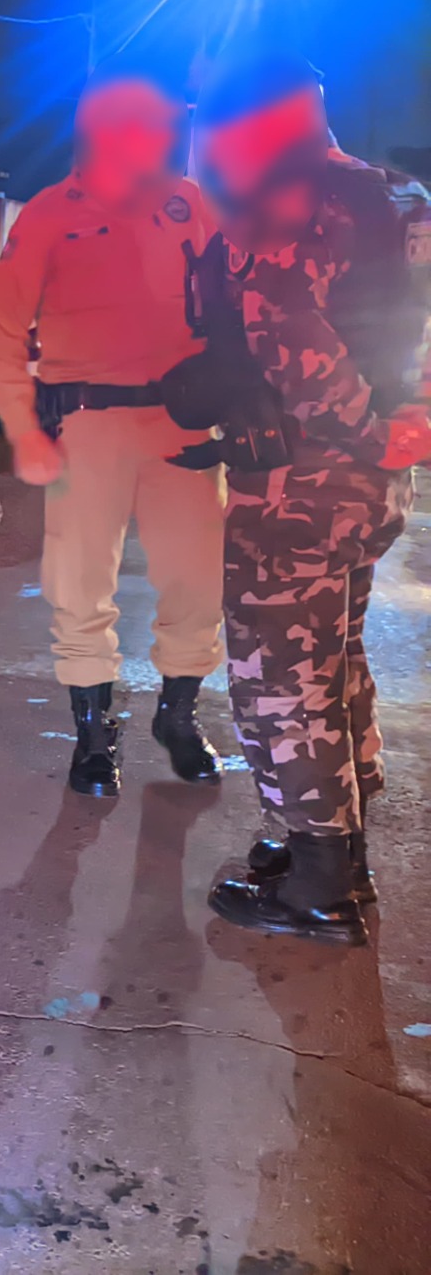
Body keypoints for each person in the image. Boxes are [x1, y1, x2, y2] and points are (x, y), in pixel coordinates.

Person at [189, 52, 431, 945]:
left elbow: (289, 331)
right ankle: (337, 830)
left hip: (304, 482)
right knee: (334, 654)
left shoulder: (287, 205)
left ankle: (324, 884)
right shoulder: (399, 194)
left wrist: (355, 431)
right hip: (374, 483)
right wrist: (403, 431)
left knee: (280, 678)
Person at [0, 65, 225, 799]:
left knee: (198, 579)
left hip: (183, 423)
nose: (157, 138)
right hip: (86, 422)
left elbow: (236, 313)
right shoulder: (52, 213)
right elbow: (0, 334)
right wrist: (22, 430)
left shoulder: (193, 204)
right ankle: (93, 733)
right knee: (79, 582)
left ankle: (177, 716)